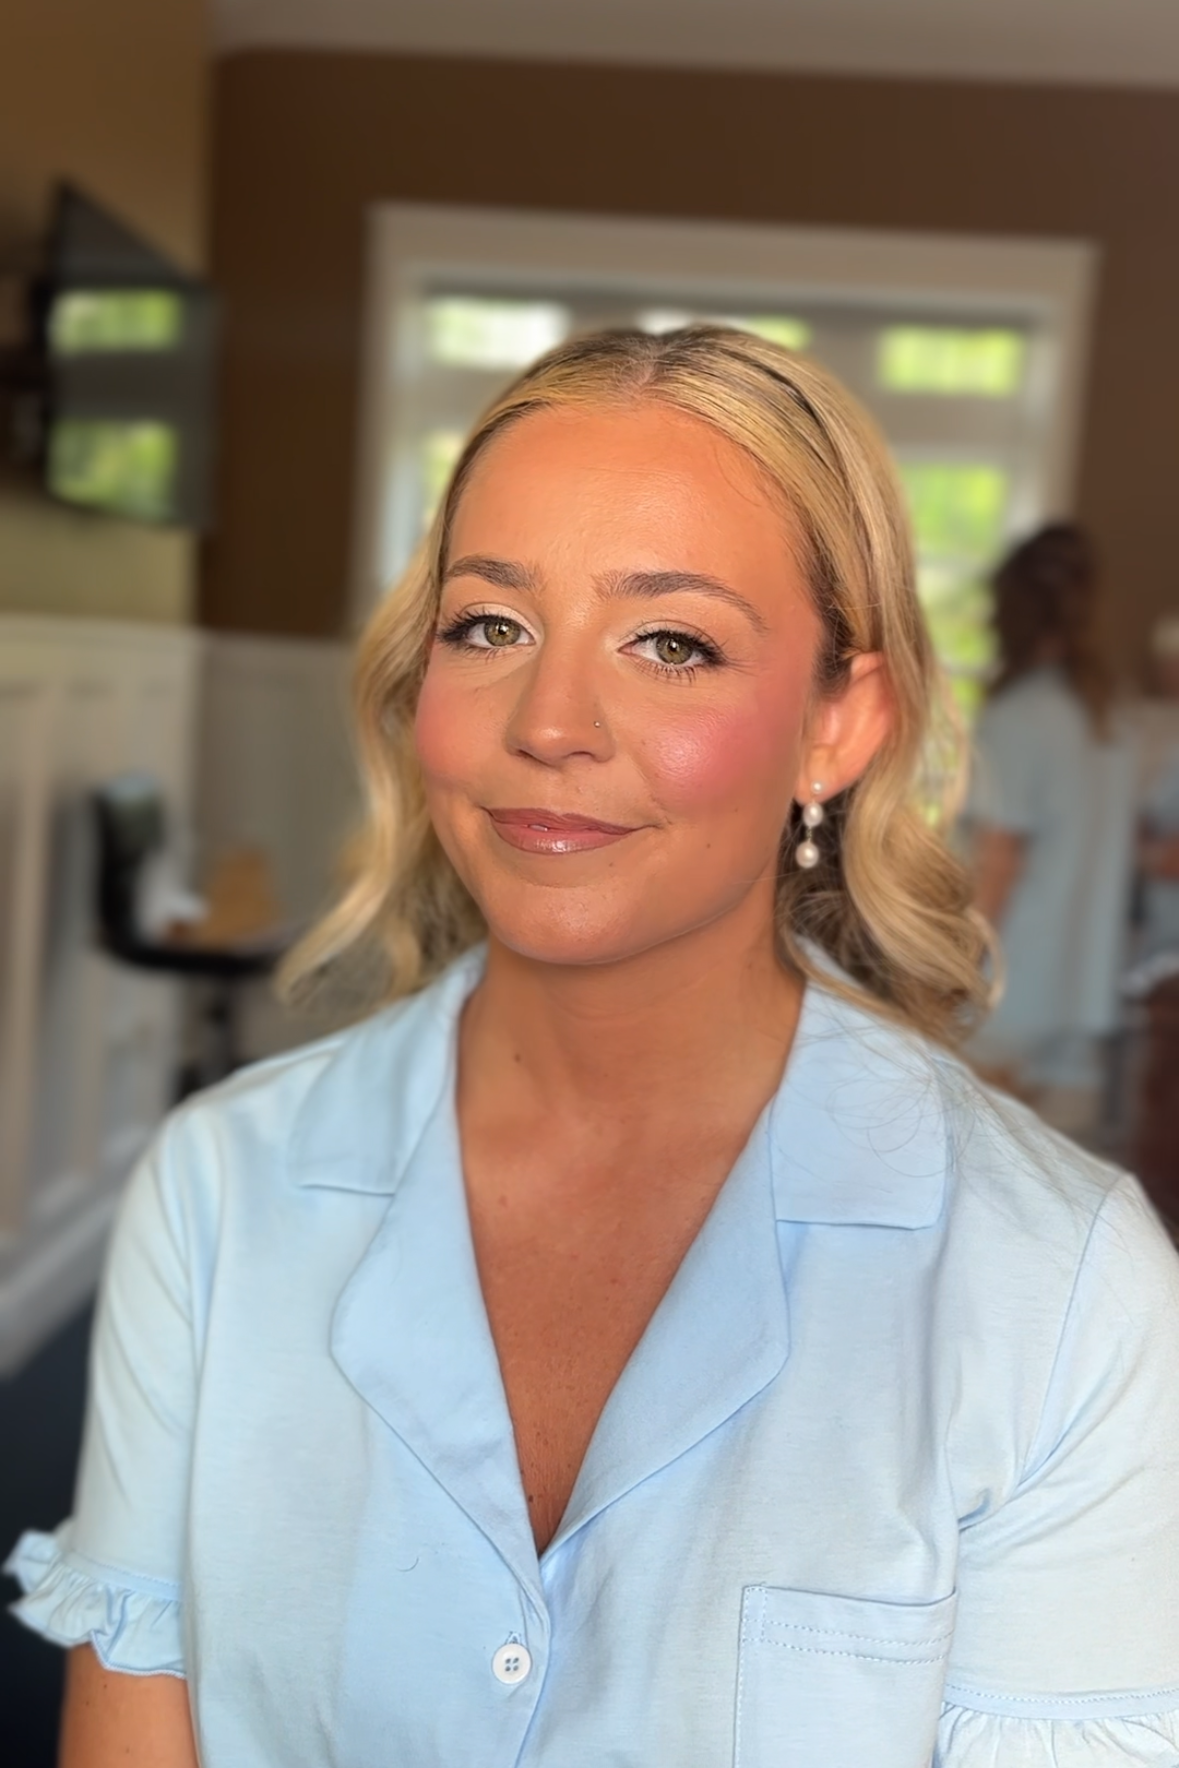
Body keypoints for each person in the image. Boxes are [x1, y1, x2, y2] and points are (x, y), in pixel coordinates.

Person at [8, 328, 1179, 1767]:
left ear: (836, 721)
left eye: (669, 642)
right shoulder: (220, 1193)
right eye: (487, 627)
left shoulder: (1060, 1292)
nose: (545, 723)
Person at [963, 524, 1137, 1137]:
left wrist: (951, 970)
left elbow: (998, 862)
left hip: (1012, 994)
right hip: (1083, 995)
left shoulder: (1017, 718)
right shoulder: (1107, 717)